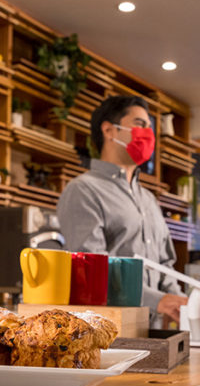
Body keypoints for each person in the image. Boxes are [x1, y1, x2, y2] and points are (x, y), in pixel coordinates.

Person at [57, 96, 188, 324]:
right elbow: (92, 272)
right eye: (140, 124)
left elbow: (165, 265)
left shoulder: (148, 199)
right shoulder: (83, 190)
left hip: (154, 332)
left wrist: (180, 301)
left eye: (149, 127)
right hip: (113, 334)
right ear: (109, 130)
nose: (148, 133)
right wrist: (156, 300)